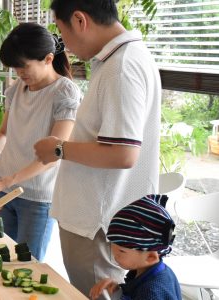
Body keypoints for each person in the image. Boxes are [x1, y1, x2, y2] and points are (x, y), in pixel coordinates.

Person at [33, 0, 162, 296]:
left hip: (97, 223)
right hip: (100, 218)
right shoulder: (122, 58)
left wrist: (59, 149)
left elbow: (123, 153)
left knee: (94, 292)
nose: (65, 45)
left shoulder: (122, 67)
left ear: (80, 20)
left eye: (62, 33)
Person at [0, 23, 81, 262]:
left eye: (23, 66)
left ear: (48, 58)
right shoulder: (17, 88)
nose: (19, 73)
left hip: (37, 196)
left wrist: (5, 181)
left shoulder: (64, 93)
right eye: (15, 68)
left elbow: (54, 154)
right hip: (3, 187)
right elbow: (4, 132)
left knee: (26, 263)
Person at [90, 194, 181, 300]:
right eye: (112, 245)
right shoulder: (153, 271)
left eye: (122, 251)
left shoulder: (151, 292)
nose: (115, 256)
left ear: (150, 257)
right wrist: (119, 291)